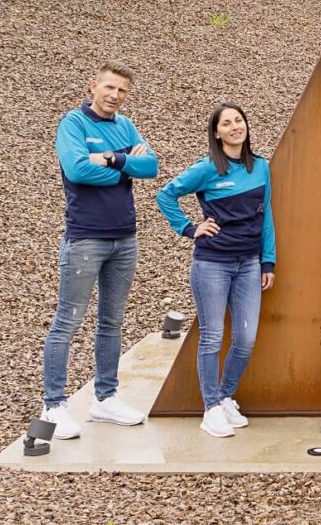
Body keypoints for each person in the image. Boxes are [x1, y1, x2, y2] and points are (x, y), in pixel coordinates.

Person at [39, 61, 158, 440]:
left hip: (125, 238)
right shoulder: (73, 123)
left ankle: (105, 398)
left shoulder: (126, 125)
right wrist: (126, 166)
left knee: (112, 322)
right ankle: (53, 405)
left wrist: (110, 158)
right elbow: (77, 170)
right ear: (94, 86)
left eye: (122, 90)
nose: (114, 95)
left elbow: (151, 167)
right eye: (109, 87)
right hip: (86, 238)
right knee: (67, 321)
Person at [156, 101, 276, 438]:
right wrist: (190, 228)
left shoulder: (261, 167)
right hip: (212, 264)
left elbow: (267, 216)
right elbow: (166, 195)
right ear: (217, 133)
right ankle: (210, 409)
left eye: (239, 120)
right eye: (226, 123)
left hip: (249, 264)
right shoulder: (207, 168)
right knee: (212, 337)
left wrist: (268, 260)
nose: (235, 127)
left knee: (246, 338)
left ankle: (224, 397)